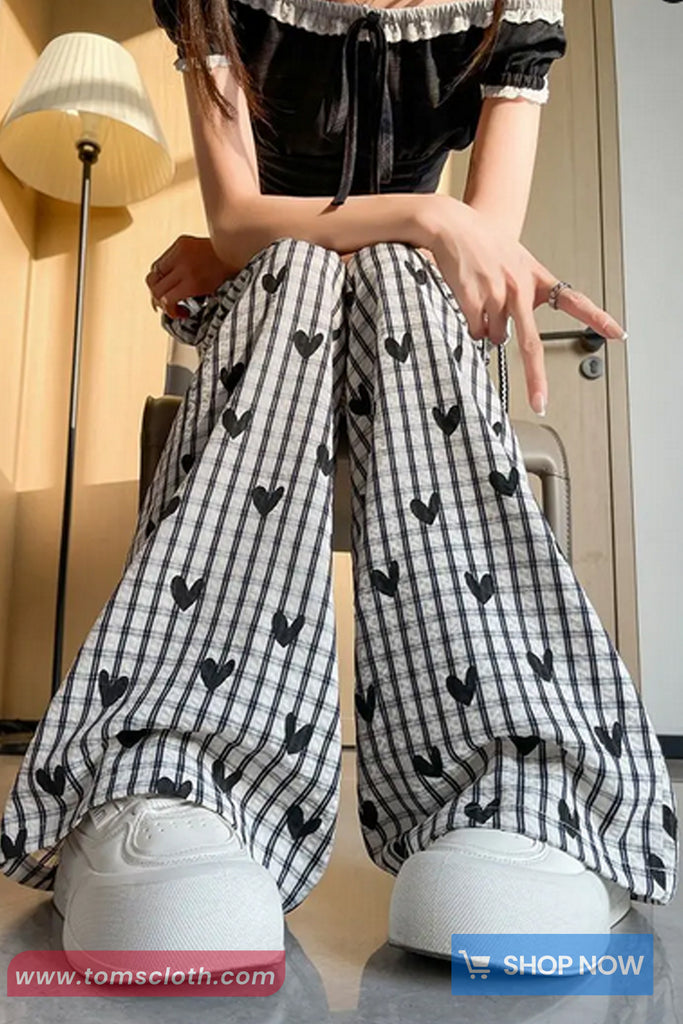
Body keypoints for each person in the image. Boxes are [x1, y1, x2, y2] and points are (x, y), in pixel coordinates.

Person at [0, 0, 678, 970]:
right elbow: (241, 220)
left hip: (411, 325)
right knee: (296, 273)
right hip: (274, 311)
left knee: (393, 280)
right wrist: (420, 213)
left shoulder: (504, 10)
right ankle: (173, 764)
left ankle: (511, 776)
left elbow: (476, 254)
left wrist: (357, 237)